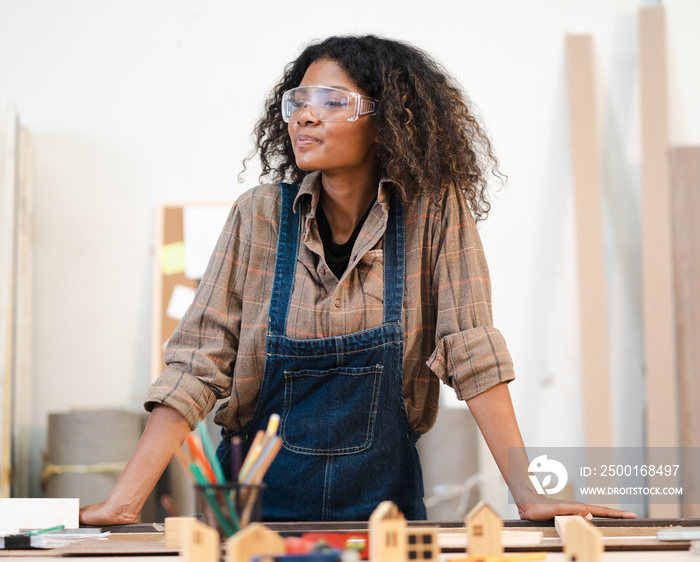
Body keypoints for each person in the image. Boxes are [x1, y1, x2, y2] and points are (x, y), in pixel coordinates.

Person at [80, 35, 636, 524]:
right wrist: (125, 501)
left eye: (331, 102)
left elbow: (472, 349)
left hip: (383, 518)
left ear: (391, 120)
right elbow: (196, 364)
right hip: (251, 519)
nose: (304, 115)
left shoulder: (433, 212)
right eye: (297, 101)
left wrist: (530, 493)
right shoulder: (259, 217)